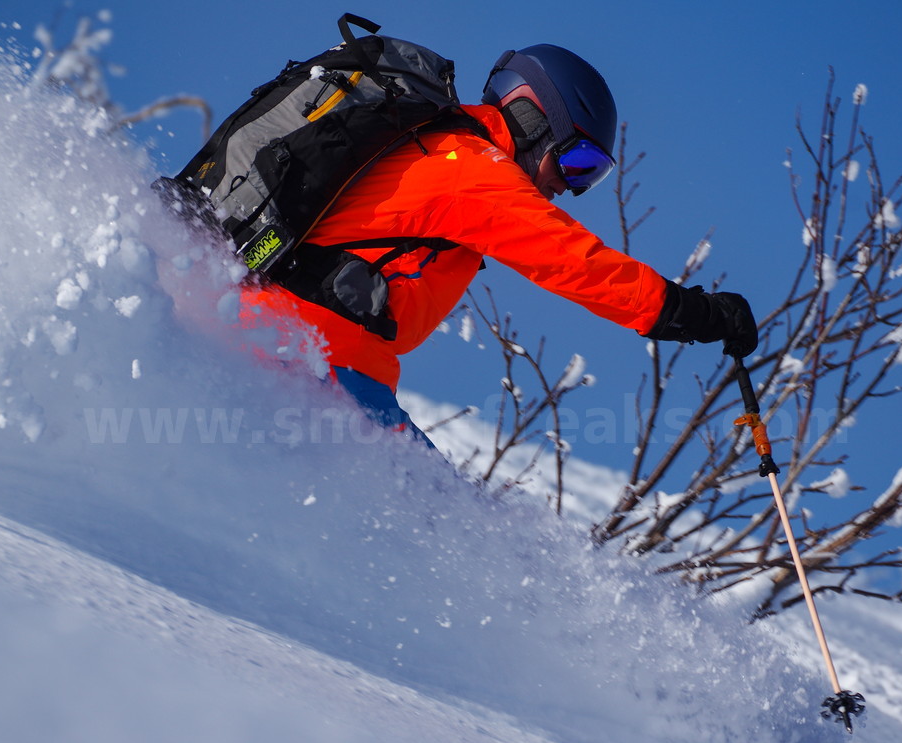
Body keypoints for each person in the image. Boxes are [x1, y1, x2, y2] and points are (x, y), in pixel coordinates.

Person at [241, 43, 758, 443]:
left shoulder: (440, 148)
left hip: (300, 345)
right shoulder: (471, 168)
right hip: (309, 353)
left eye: (591, 177)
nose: (570, 188)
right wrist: (690, 311)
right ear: (534, 119)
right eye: (576, 162)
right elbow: (569, 259)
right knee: (432, 520)